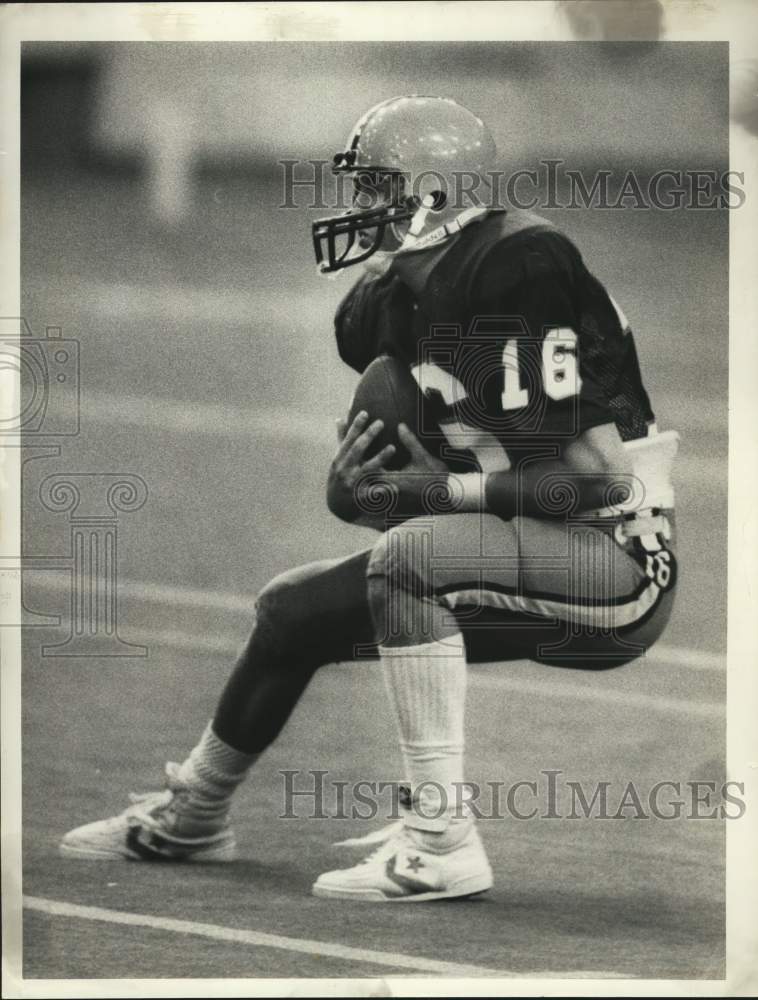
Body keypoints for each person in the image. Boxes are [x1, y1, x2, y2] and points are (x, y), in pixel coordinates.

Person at [60, 96, 678, 902]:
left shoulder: (519, 264)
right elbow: (375, 499)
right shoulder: (395, 294)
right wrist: (362, 488)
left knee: (409, 558)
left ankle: (440, 841)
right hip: (528, 533)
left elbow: (599, 480)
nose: (358, 204)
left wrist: (438, 493)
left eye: (376, 186)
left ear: (433, 193)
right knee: (292, 612)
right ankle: (195, 814)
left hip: (617, 554)